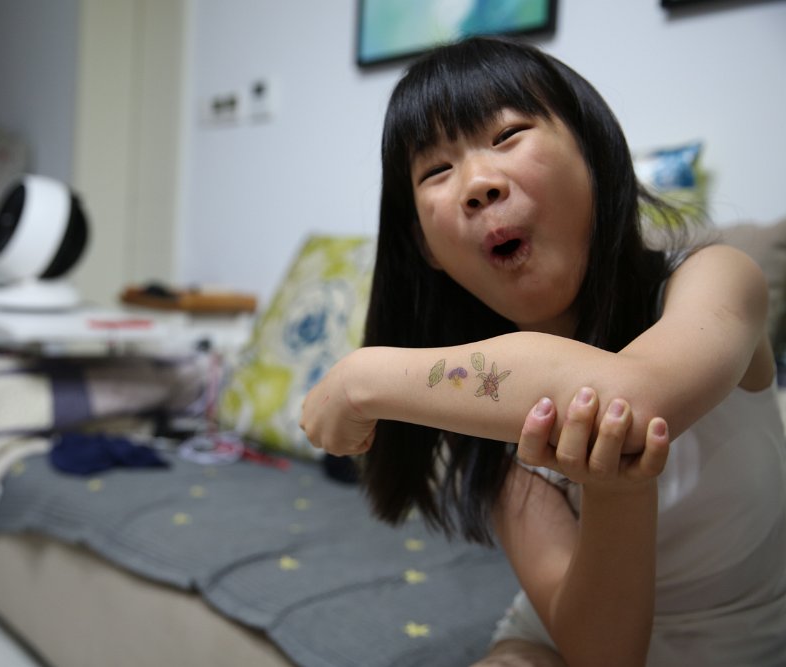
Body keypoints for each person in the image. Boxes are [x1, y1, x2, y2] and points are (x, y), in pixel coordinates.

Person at [299, 37, 786, 666]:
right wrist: (615, 492)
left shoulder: (716, 278)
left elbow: (631, 399)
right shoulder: (480, 424)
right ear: (425, 248)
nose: (477, 184)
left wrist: (363, 377)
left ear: (593, 153)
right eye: (436, 171)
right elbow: (603, 655)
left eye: (507, 135)